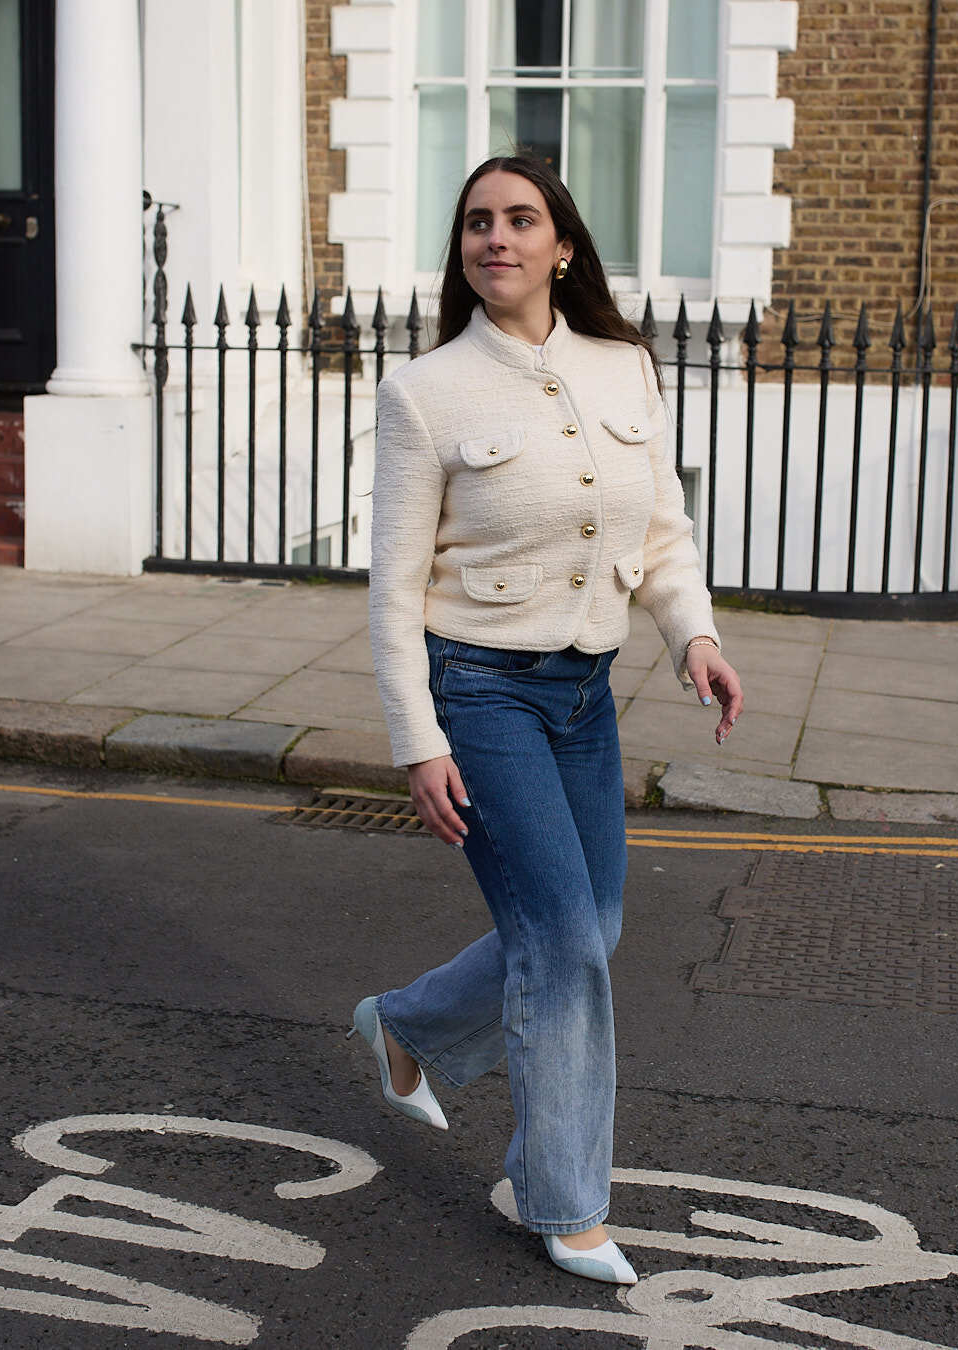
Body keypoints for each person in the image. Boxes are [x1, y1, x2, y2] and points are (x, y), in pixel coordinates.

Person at [349, 153, 744, 1285]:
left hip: (584, 693)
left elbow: (658, 531)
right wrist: (417, 739)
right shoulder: (424, 392)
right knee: (565, 944)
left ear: (563, 246)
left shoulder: (624, 368)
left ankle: (409, 1028)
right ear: (463, 251)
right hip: (480, 692)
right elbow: (391, 589)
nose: (498, 239)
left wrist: (695, 636)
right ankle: (561, 1200)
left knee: (593, 927)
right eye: (478, 222)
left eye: (522, 220)